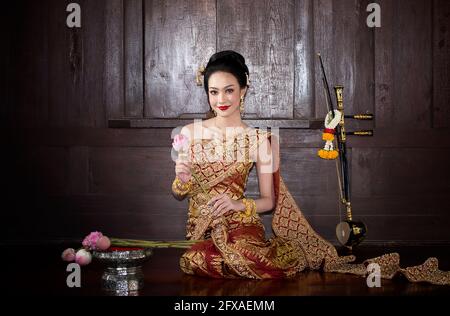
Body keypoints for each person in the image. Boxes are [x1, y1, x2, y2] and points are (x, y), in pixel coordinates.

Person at [171, 50, 449, 285]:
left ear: (243, 91)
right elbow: (179, 191)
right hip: (202, 229)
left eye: (229, 90)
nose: (221, 99)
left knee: (241, 256)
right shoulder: (190, 133)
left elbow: (268, 202)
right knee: (195, 259)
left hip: (241, 226)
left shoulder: (258, 141)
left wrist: (236, 204)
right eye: (214, 92)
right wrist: (181, 178)